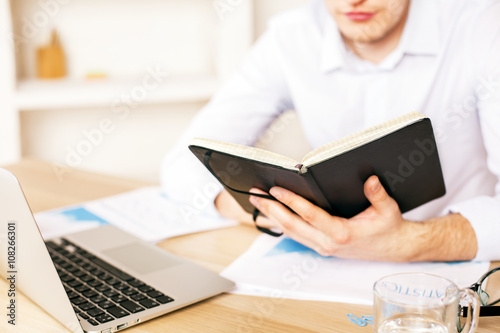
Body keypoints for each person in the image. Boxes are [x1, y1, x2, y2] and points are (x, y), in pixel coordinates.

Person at [161, 0, 500, 262]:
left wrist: (409, 241)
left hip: (455, 274)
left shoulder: (483, 27)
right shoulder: (292, 37)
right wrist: (274, 216)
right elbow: (182, 165)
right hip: (325, 269)